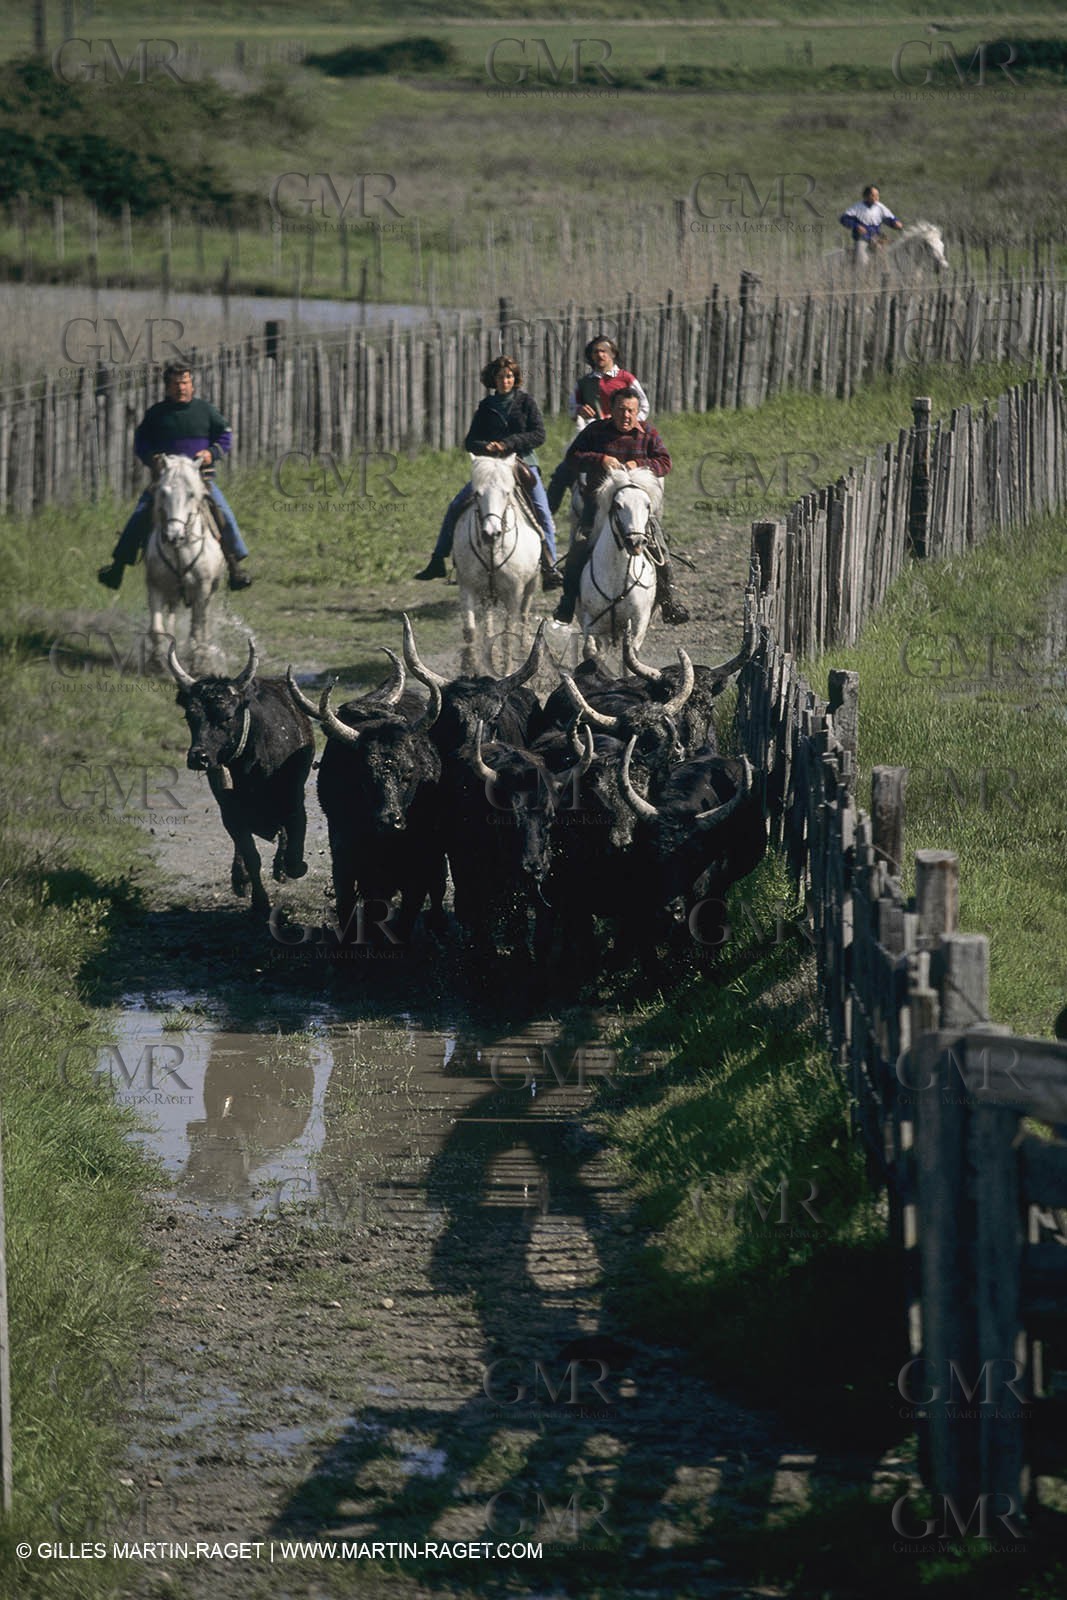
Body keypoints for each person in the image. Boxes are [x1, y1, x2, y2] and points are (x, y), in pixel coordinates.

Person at [97, 361, 252, 592]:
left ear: (192, 385)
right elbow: (141, 442)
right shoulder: (156, 414)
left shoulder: (206, 410)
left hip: (200, 482)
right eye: (177, 384)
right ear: (167, 387)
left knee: (224, 514)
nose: (182, 388)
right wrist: (153, 458)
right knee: (139, 516)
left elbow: (225, 436)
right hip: (166, 483)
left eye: (186, 382)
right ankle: (117, 567)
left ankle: (234, 566)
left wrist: (211, 453)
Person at [414, 355, 561, 588]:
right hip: (491, 467)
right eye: (501, 376)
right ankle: (438, 559)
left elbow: (538, 435)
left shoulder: (526, 402)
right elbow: (471, 441)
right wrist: (487, 447)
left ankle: (550, 566)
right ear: (493, 379)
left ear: (516, 379)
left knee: (542, 510)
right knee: (456, 505)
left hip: (522, 463)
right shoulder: (486, 406)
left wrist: (508, 444)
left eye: (510, 376)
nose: (506, 380)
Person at [546, 387, 689, 626]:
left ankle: (668, 602)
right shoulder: (595, 431)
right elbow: (572, 457)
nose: (626, 416)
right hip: (598, 506)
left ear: (637, 412)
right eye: (621, 409)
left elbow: (665, 462)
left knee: (660, 550)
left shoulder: (648, 433)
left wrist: (639, 463)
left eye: (631, 411)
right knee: (578, 550)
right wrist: (599, 459)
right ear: (611, 409)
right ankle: (568, 603)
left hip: (637, 510)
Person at [568, 335, 650, 431]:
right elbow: (572, 409)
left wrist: (629, 425)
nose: (600, 355)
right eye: (596, 352)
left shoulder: (626, 379)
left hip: (621, 435)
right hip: (592, 436)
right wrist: (580, 411)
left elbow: (644, 406)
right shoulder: (583, 383)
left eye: (604, 351)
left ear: (613, 354)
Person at [839, 185, 904, 252]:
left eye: (877, 195)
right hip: (862, 239)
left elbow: (890, 219)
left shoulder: (881, 207)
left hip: (877, 237)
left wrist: (895, 223)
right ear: (866, 196)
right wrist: (856, 226)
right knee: (861, 256)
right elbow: (843, 219)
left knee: (893, 248)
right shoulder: (857, 207)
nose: (876, 198)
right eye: (873, 195)